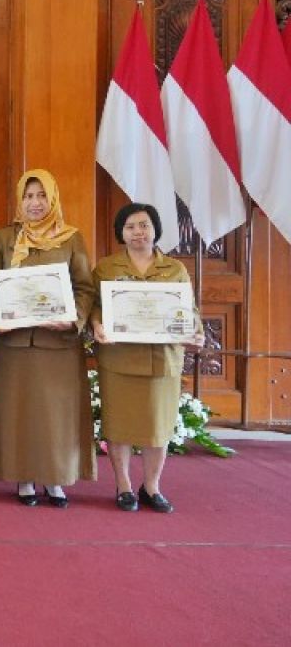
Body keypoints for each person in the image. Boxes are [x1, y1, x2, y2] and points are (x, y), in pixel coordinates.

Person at [0, 169, 96, 507]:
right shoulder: (5, 238)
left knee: (56, 415)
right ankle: (24, 479)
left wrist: (73, 320)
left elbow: (85, 288)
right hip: (14, 343)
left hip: (57, 344)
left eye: (41, 196)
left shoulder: (71, 238)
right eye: (28, 196)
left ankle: (56, 479)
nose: (34, 203)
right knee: (20, 413)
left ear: (52, 198)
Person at [91, 202, 201, 514]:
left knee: (159, 426)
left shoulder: (175, 269)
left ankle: (151, 486)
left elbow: (188, 309)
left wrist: (195, 331)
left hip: (161, 359)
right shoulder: (106, 268)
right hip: (119, 359)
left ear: (155, 229)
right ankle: (123, 485)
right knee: (119, 425)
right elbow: (96, 306)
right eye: (130, 227)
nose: (138, 232)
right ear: (120, 234)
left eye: (144, 225)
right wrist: (96, 323)